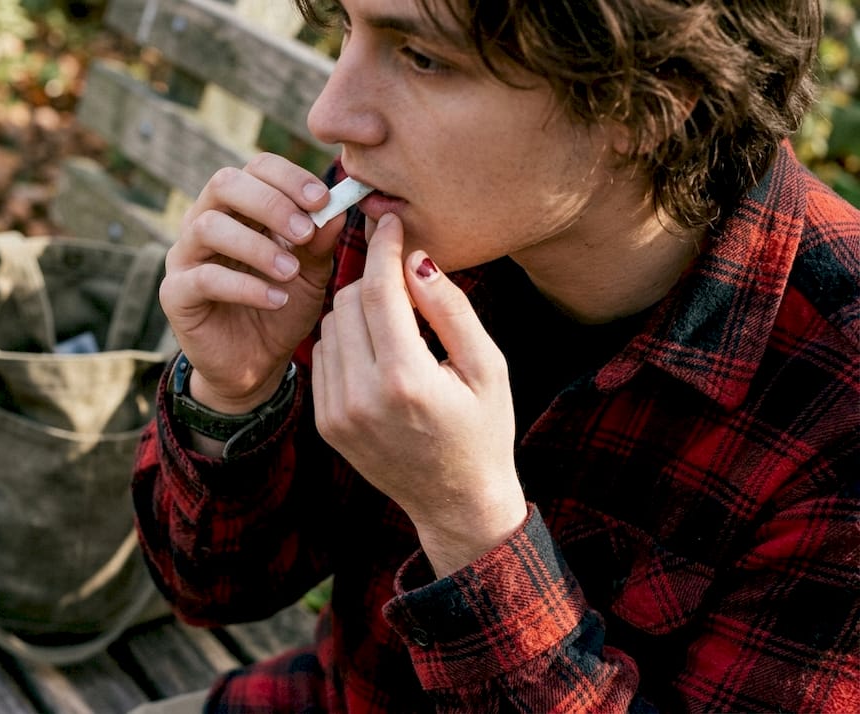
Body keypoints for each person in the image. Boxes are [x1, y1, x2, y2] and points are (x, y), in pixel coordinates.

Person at [131, 0, 860, 711]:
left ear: (649, 106)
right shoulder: (407, 220)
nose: (330, 115)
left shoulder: (839, 399)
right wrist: (233, 393)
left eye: (422, 57)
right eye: (348, 30)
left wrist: (470, 526)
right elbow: (215, 588)